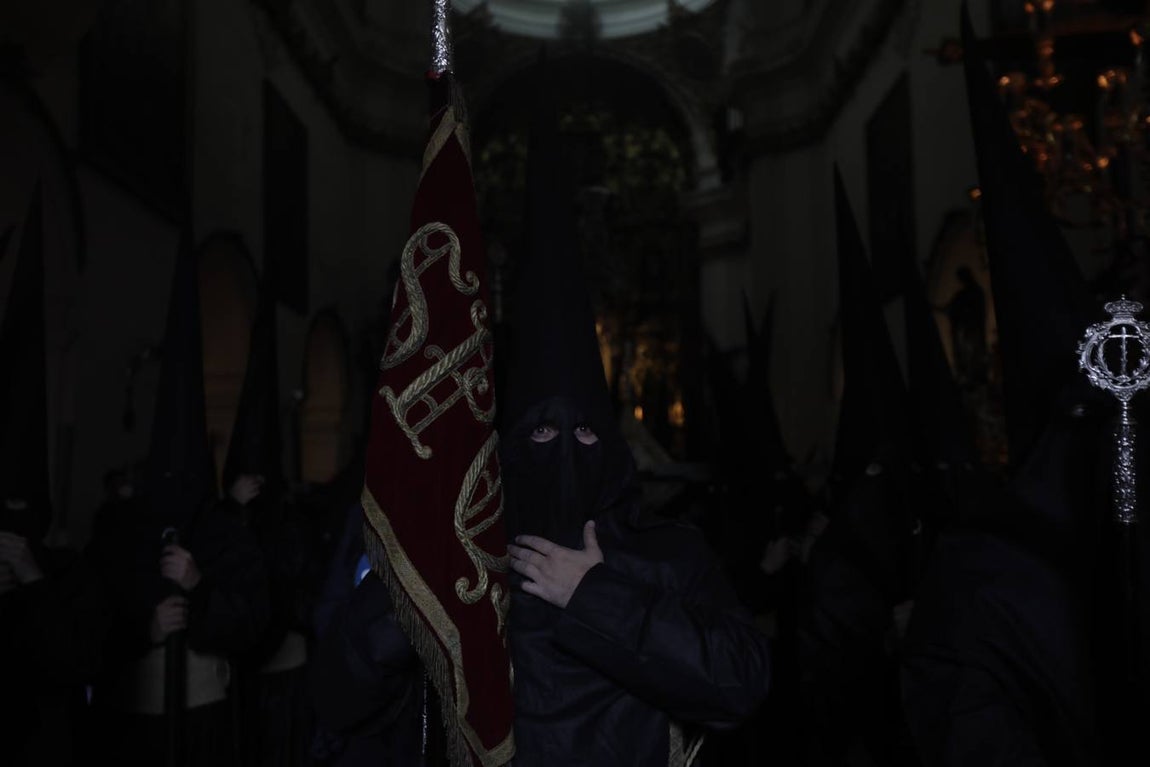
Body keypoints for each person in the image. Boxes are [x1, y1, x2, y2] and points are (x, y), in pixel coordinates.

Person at [500, 62, 771, 765]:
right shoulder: (468, 556)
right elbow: (346, 697)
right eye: (543, 431)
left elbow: (741, 680)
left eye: (587, 432)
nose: (567, 449)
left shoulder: (667, 553)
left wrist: (594, 595)